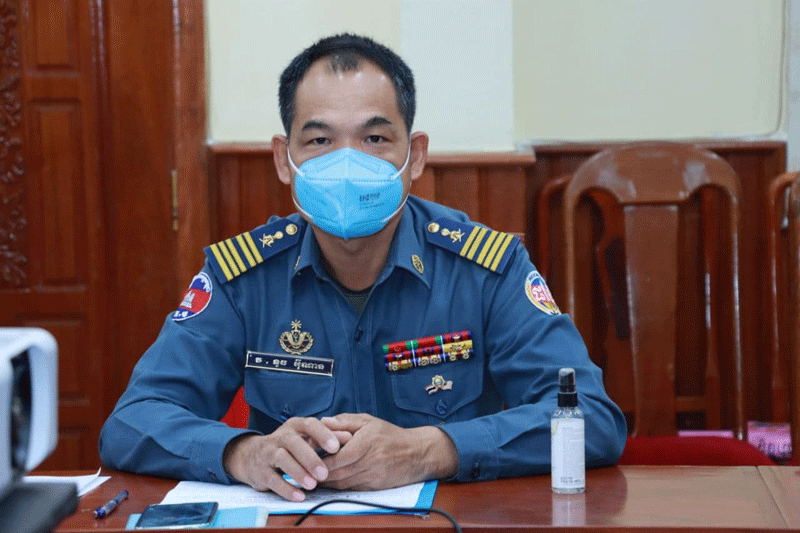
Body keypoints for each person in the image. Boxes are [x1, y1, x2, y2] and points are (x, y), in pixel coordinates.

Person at [99, 33, 626, 502]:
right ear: (284, 159)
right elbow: (132, 421)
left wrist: (431, 449)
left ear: (414, 156)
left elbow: (592, 417)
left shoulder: (486, 269)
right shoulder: (243, 277)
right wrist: (244, 453)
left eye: (374, 139)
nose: (347, 163)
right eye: (320, 141)